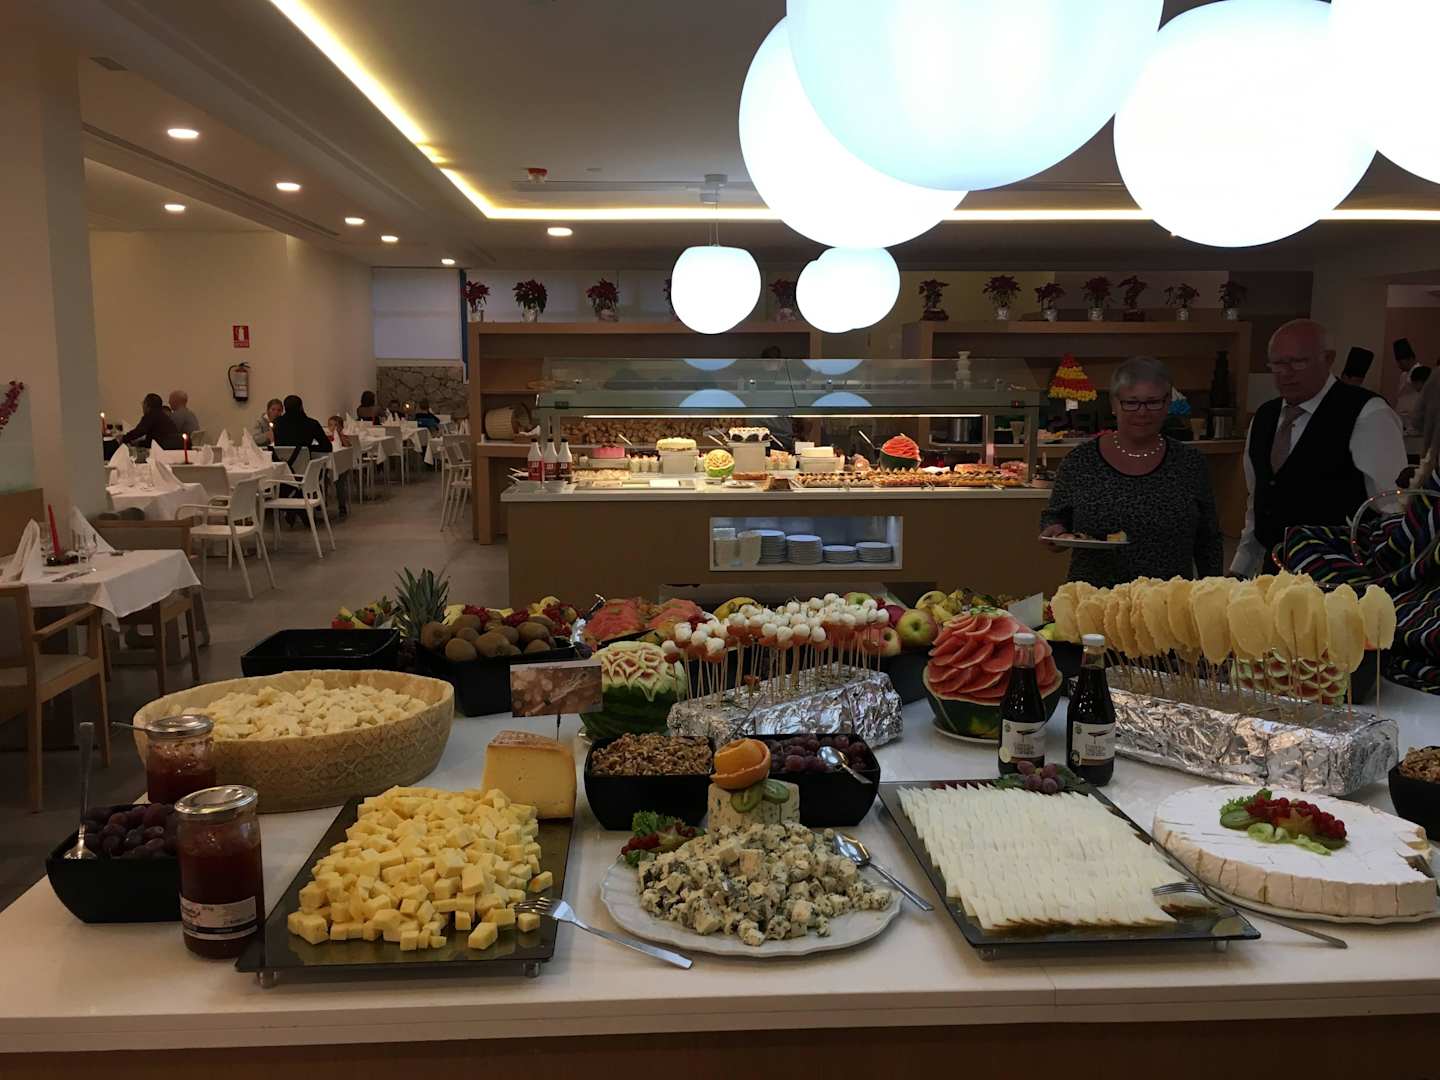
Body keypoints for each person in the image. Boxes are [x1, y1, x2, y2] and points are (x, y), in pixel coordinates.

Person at [1231, 319, 1408, 577]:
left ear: (1328, 359)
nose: (1286, 373)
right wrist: (1240, 570)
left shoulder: (1367, 414)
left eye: (1298, 362)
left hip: (1342, 577)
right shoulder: (1264, 417)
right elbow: (1258, 504)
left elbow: (1393, 510)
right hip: (1275, 576)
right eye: (1277, 364)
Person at [1039, 357, 1222, 587]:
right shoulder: (1080, 461)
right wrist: (1055, 532)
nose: (1142, 412)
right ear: (1114, 404)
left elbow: (1208, 539)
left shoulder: (1190, 463)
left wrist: (1213, 590)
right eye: (1131, 402)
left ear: (1167, 404)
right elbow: (1055, 516)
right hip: (1094, 597)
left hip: (1167, 599)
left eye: (1153, 402)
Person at [1393, 338, 1430, 434]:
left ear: (1410, 359)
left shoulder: (1421, 373)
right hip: (1402, 421)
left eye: (1401, 362)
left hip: (1414, 423)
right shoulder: (1403, 375)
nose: (1399, 366)